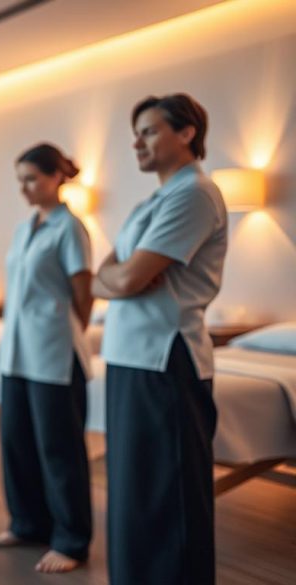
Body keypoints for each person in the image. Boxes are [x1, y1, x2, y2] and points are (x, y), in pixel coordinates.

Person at [94, 93, 225, 585]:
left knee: (167, 495)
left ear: (186, 132)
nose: (137, 143)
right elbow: (103, 276)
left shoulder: (195, 194)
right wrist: (121, 277)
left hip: (166, 356)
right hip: (131, 355)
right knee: (134, 490)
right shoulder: (153, 200)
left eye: (148, 131)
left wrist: (122, 279)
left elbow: (121, 281)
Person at [0, 144, 94, 573]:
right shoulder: (24, 227)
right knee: (16, 444)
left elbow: (83, 296)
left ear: (56, 177)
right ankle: (28, 523)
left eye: (32, 178)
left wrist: (64, 333)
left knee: (60, 451)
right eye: (20, 180)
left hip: (53, 354)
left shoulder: (71, 229)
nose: (25, 188)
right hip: (16, 354)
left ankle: (71, 540)